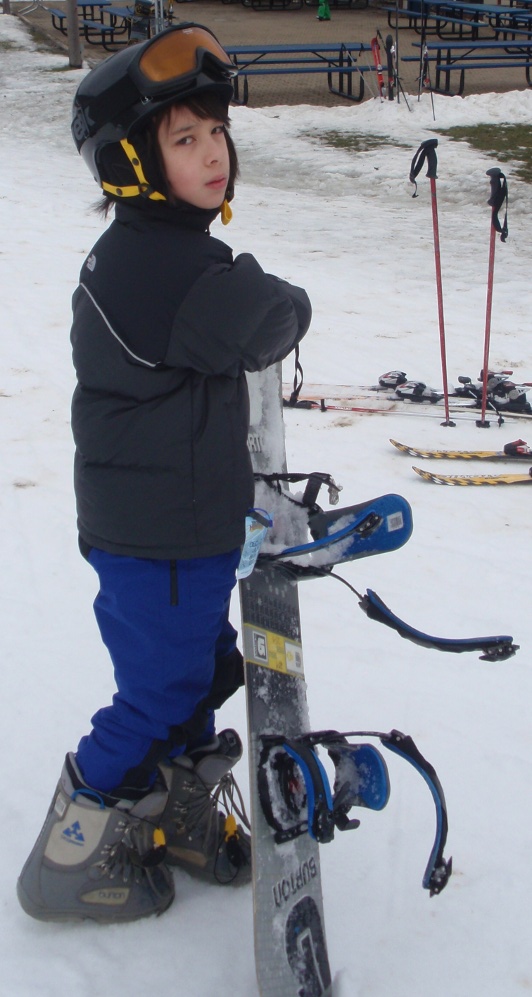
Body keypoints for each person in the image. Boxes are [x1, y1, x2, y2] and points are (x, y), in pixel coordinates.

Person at [17, 22, 312, 924]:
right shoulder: (164, 265)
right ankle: (69, 853)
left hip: (170, 526)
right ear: (132, 165)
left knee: (198, 672)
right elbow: (274, 317)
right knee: (156, 694)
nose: (213, 152)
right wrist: (272, 285)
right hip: (159, 536)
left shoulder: (152, 248)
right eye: (184, 139)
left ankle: (177, 816)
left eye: (216, 132)